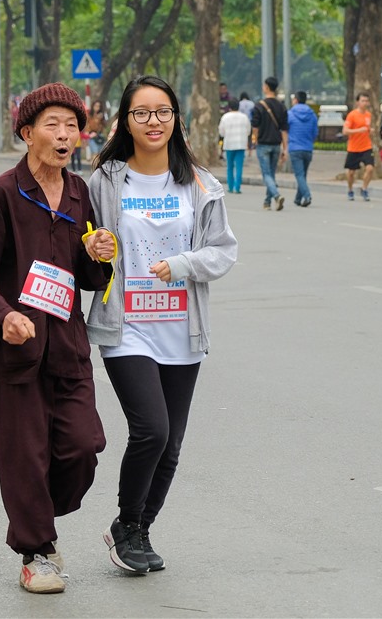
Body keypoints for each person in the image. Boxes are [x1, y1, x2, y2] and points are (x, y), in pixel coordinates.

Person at [0, 82, 110, 594]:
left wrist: (99, 254)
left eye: (72, 126)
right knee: (24, 455)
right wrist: (1, 316)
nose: (65, 135)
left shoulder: (78, 192)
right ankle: (36, 551)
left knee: (83, 446)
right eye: (53, 125)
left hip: (68, 345)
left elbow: (88, 274)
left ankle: (37, 515)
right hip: (17, 350)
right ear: (27, 133)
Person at [86, 74, 237, 575]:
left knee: (171, 444)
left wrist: (184, 265)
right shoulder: (104, 181)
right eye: (142, 113)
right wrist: (92, 249)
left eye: (163, 112)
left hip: (182, 328)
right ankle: (129, 523)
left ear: (177, 119)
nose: (154, 122)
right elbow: (80, 245)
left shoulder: (199, 183)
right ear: (124, 121)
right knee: (150, 429)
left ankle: (135, 531)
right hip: (126, 324)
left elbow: (223, 252)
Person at [250, 76, 288, 210]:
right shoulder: (281, 106)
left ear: (266, 87)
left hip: (263, 144)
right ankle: (267, 202)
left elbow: (255, 127)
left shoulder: (259, 106)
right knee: (271, 174)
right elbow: (284, 129)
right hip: (276, 145)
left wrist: (254, 141)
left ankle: (276, 196)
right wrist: (285, 149)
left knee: (266, 174)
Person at [287, 90, 318, 207]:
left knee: (299, 175)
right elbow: (315, 133)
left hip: (295, 148)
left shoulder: (290, 114)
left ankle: (307, 195)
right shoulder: (312, 114)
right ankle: (297, 198)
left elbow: (285, 130)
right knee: (303, 174)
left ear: (296, 100)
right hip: (308, 148)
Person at [343, 92, 375, 201]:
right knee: (351, 172)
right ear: (358, 102)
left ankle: (364, 188)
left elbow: (367, 128)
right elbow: (345, 131)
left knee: (370, 168)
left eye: (367, 101)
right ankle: (350, 189)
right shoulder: (352, 115)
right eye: (363, 101)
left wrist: (370, 131)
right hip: (353, 147)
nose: (365, 103)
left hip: (366, 146)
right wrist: (358, 130)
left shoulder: (368, 115)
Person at [218, 101, 249, 194]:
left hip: (229, 144)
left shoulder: (225, 117)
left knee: (230, 166)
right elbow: (248, 130)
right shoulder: (244, 117)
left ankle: (230, 187)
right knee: (239, 167)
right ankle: (237, 188)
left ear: (229, 107)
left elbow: (221, 132)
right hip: (241, 144)